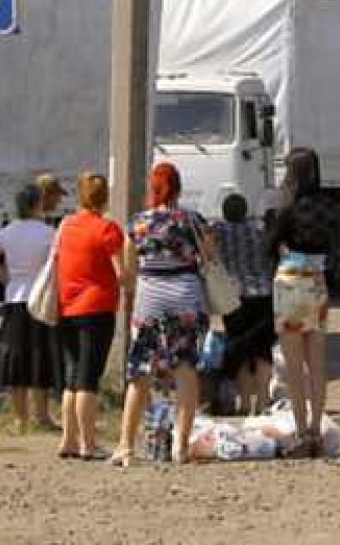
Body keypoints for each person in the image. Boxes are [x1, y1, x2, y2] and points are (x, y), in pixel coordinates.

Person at [111, 163, 218, 466]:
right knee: (185, 370)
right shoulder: (192, 220)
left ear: (152, 189)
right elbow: (211, 257)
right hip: (187, 298)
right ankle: (180, 448)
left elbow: (130, 272)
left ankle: (125, 446)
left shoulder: (137, 223)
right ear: (179, 188)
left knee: (141, 372)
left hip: (150, 300)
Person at [271, 147, 337, 458]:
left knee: (294, 366)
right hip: (318, 282)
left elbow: (269, 243)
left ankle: (300, 433)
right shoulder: (328, 206)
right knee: (318, 363)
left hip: (291, 280)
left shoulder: (287, 205)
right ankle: (316, 430)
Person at [52, 173, 124, 461]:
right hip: (97, 308)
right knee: (88, 378)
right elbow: (121, 272)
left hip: (66, 307)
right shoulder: (108, 229)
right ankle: (88, 443)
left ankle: (68, 439)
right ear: (105, 197)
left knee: (72, 376)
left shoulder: (66, 226)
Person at [0, 184, 58, 430]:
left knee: (16, 356)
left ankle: (20, 417)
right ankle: (42, 415)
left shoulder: (8, 232)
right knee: (40, 354)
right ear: (37, 204)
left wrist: (4, 276)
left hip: (14, 296)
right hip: (40, 298)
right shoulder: (48, 233)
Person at [215, 193, 276, 416]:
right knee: (262, 349)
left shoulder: (218, 232)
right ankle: (262, 401)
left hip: (234, 296)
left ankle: (244, 404)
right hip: (262, 294)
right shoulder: (259, 232)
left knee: (239, 346)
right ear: (245, 212)